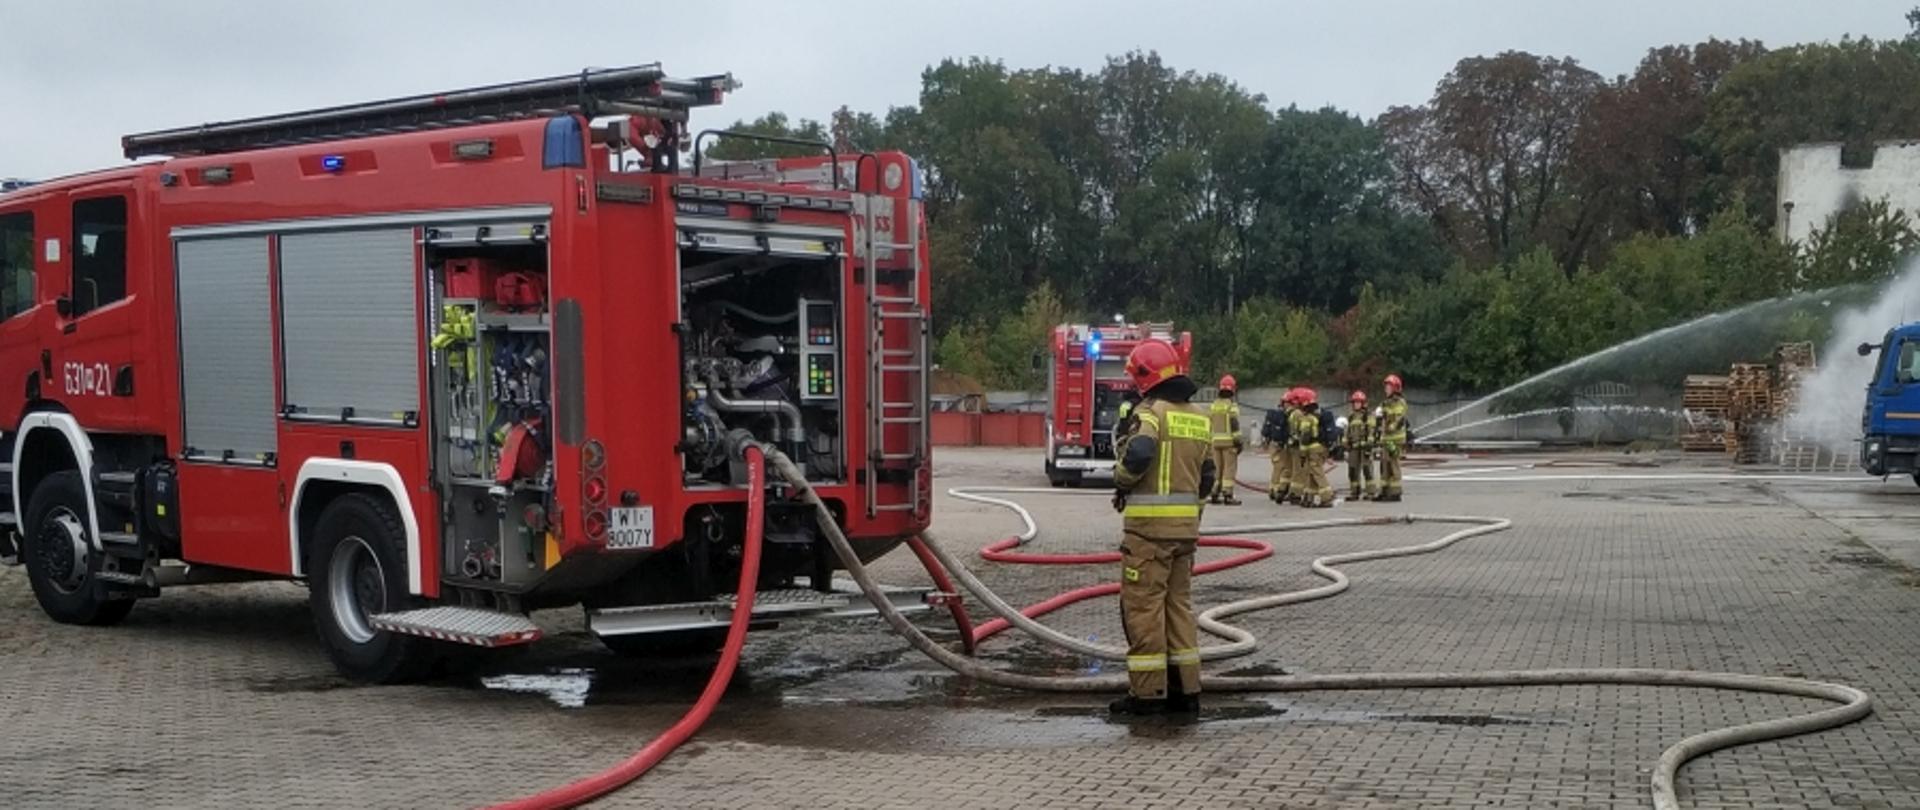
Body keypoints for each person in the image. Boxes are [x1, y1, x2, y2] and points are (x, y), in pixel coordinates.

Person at [1108, 340, 1215, 716]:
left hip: (1148, 534)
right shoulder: (1200, 416)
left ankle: (1148, 695)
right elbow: (1208, 477)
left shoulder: (1151, 413)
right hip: (1185, 534)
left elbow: (1137, 454)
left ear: (1144, 376)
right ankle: (1186, 692)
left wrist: (1121, 482)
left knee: (1144, 610)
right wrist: (1191, 515)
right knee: (1179, 608)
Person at [1290, 389, 1334, 508]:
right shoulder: (1317, 415)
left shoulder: (1308, 418)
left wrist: (1303, 454)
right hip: (1321, 448)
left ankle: (1327, 497)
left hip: (1313, 449)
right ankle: (1309, 497)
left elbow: (1305, 438)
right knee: (1312, 473)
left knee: (1317, 472)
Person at [1208, 375, 1244, 506]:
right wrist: (1238, 441)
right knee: (1229, 469)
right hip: (1229, 443)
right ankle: (1228, 495)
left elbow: (1209, 423)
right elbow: (1234, 424)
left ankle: (1214, 492)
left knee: (1217, 469)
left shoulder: (1214, 405)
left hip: (1215, 442)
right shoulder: (1231, 406)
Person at [1378, 374, 1409, 502]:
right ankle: (1385, 491)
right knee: (1385, 464)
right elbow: (1384, 420)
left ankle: (1395, 493)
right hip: (1387, 439)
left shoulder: (1399, 402)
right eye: (1385, 386)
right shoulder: (1386, 403)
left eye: (1388, 386)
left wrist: (1392, 426)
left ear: (1395, 387)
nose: (1386, 388)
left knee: (1393, 463)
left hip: (1395, 440)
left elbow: (1399, 418)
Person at [1343, 390, 1379, 501]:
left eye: (1358, 402)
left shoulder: (1368, 416)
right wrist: (1345, 443)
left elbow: (1371, 431)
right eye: (1354, 402)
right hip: (1353, 448)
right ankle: (1354, 492)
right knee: (1352, 470)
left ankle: (1371, 492)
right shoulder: (1351, 417)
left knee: (1367, 469)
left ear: (1363, 403)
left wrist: (1369, 446)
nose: (1356, 404)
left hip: (1364, 447)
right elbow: (1347, 432)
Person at [1261, 391, 1295, 504]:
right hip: (1280, 445)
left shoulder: (1274, 414)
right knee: (1282, 468)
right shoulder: (1286, 415)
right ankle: (1277, 490)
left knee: (1279, 468)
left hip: (1274, 444)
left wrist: (1266, 441)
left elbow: (1267, 431)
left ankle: (1274, 489)